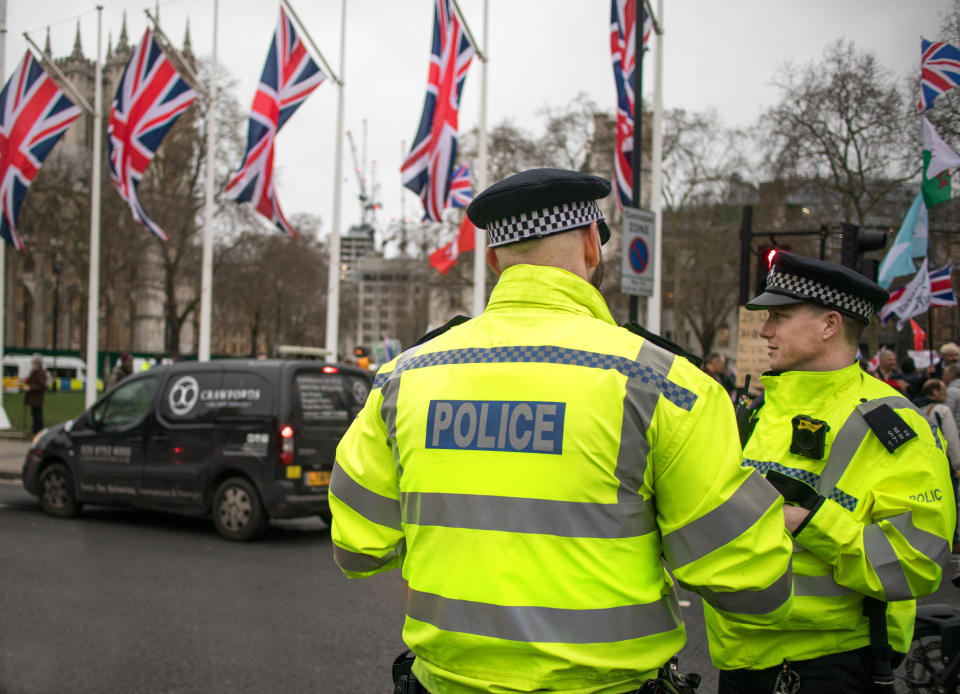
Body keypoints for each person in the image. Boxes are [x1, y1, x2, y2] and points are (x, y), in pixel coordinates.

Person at [330, 168, 795, 693]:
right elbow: (751, 586)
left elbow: (357, 547)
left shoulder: (403, 378)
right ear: (592, 245)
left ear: (493, 260)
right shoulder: (664, 385)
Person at [709, 251, 955, 693]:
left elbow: (917, 564)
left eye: (779, 317)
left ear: (829, 325)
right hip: (739, 658)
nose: (764, 330)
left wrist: (804, 522)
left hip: (827, 665)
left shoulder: (895, 425)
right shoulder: (761, 413)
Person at [916, 378, 960, 552]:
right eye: (942, 391)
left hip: (923, 462)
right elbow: (951, 439)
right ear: (934, 392)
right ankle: (953, 540)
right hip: (943, 463)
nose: (945, 395)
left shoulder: (914, 408)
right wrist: (957, 464)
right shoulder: (942, 410)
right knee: (950, 500)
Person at [24, 355, 47, 434]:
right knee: (34, 414)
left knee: (37, 415)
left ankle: (38, 430)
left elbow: (41, 385)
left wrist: (30, 388)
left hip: (37, 398)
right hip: (33, 398)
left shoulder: (41, 373)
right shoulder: (34, 372)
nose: (32, 364)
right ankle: (35, 429)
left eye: (34, 362)